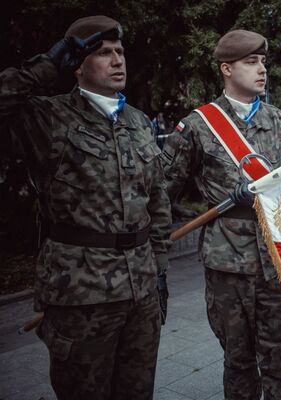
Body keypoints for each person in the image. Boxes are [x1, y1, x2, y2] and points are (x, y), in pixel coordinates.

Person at [0, 15, 171, 400]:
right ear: (76, 64)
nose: (117, 61)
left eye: (120, 52)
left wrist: (159, 268)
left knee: (137, 392)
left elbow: (157, 200)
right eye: (103, 53)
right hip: (80, 296)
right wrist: (48, 63)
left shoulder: (139, 122)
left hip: (141, 292)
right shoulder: (48, 117)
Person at [160, 29, 281, 400]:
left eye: (263, 61)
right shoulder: (198, 125)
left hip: (280, 259)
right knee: (239, 361)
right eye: (251, 62)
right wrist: (153, 258)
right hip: (227, 264)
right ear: (226, 69)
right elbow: (162, 191)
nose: (262, 69)